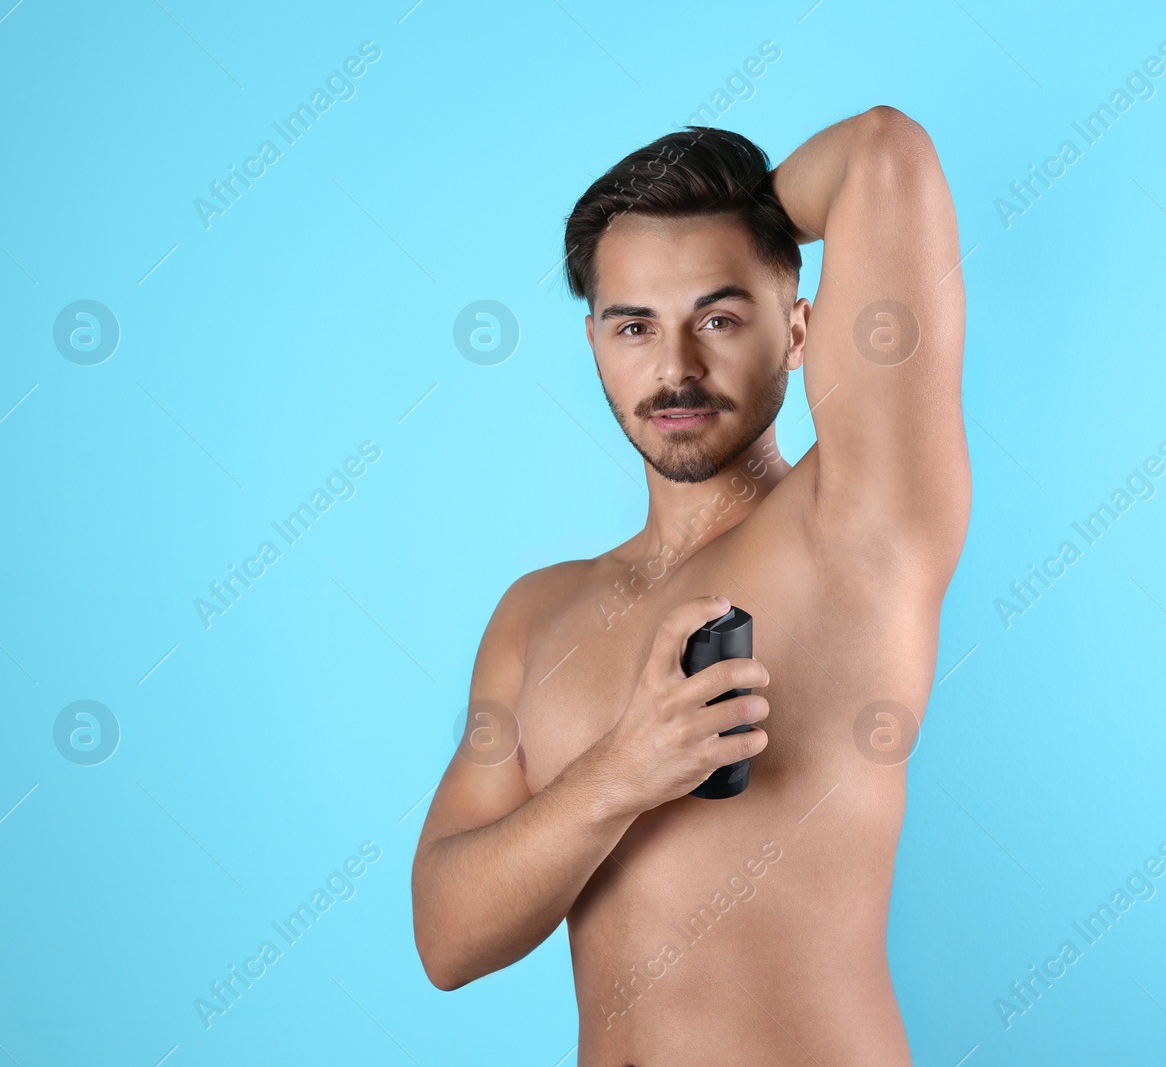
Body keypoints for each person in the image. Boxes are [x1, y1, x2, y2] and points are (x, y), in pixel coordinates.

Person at [411, 105, 969, 1065]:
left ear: (799, 332)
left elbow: (883, 149)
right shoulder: (536, 614)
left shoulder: (860, 527)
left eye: (719, 316)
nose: (676, 369)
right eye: (636, 325)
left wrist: (753, 216)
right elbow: (448, 938)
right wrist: (621, 773)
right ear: (594, 342)